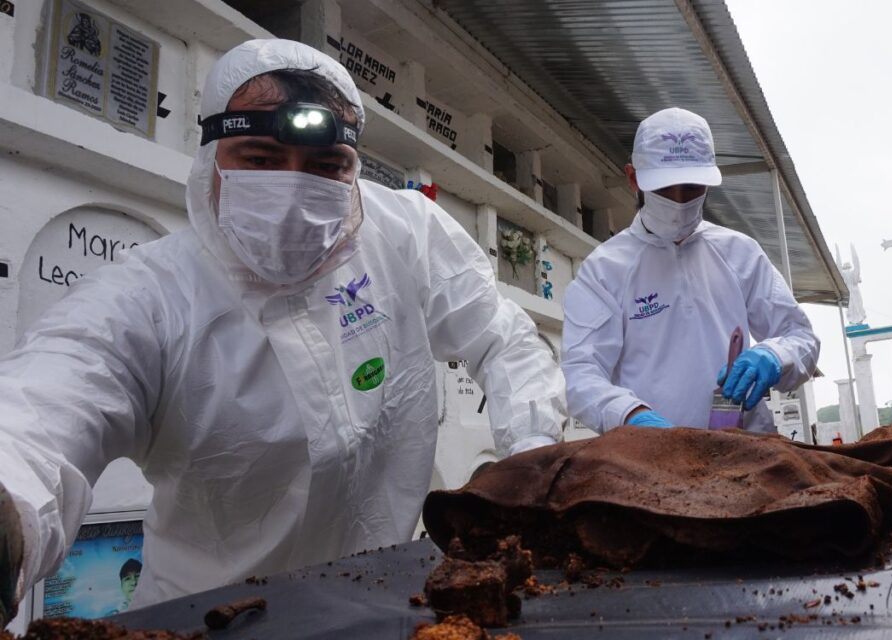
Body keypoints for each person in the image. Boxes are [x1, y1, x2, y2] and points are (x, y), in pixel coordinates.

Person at [0, 39, 565, 623]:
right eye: (261, 159)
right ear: (211, 158)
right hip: (205, 619)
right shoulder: (151, 296)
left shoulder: (404, 234)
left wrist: (530, 466)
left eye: (326, 167)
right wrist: (9, 515)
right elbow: (47, 405)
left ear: (353, 170)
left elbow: (503, 339)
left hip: (385, 601)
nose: (294, 191)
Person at [561, 107, 819, 434]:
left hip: (747, 450)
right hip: (651, 457)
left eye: (693, 187)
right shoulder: (603, 271)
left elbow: (802, 337)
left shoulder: (740, 253)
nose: (680, 201)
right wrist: (629, 413)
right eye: (666, 189)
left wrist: (774, 355)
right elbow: (581, 372)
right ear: (633, 178)